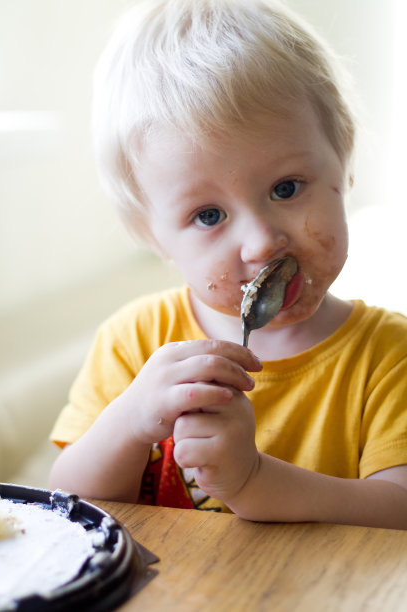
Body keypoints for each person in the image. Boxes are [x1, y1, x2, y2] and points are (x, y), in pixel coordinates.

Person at [49, 0, 407, 529]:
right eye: (209, 214)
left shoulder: (387, 358)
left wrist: (252, 482)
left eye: (287, 188)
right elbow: (70, 505)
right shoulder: (137, 342)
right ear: (154, 235)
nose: (262, 243)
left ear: (344, 157)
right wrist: (130, 423)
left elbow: (399, 516)